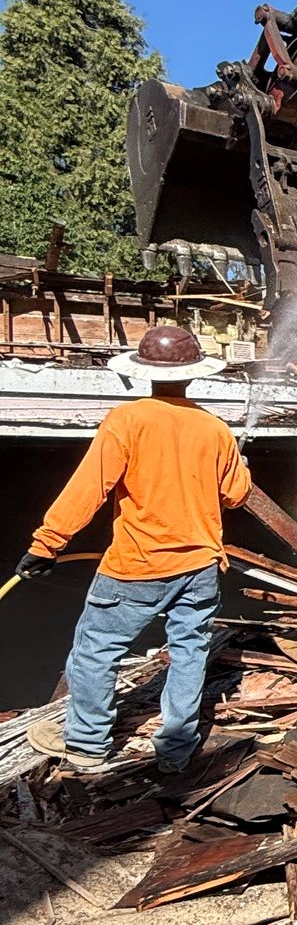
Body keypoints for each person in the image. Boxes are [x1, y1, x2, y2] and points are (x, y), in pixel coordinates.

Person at [15, 324, 251, 776]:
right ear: (194, 373)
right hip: (200, 566)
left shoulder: (127, 420)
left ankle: (87, 745)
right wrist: (240, 466)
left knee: (95, 652)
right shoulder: (215, 429)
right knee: (189, 653)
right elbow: (236, 495)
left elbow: (89, 488)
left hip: (136, 566)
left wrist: (47, 545)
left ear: (144, 372)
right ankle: (176, 751)